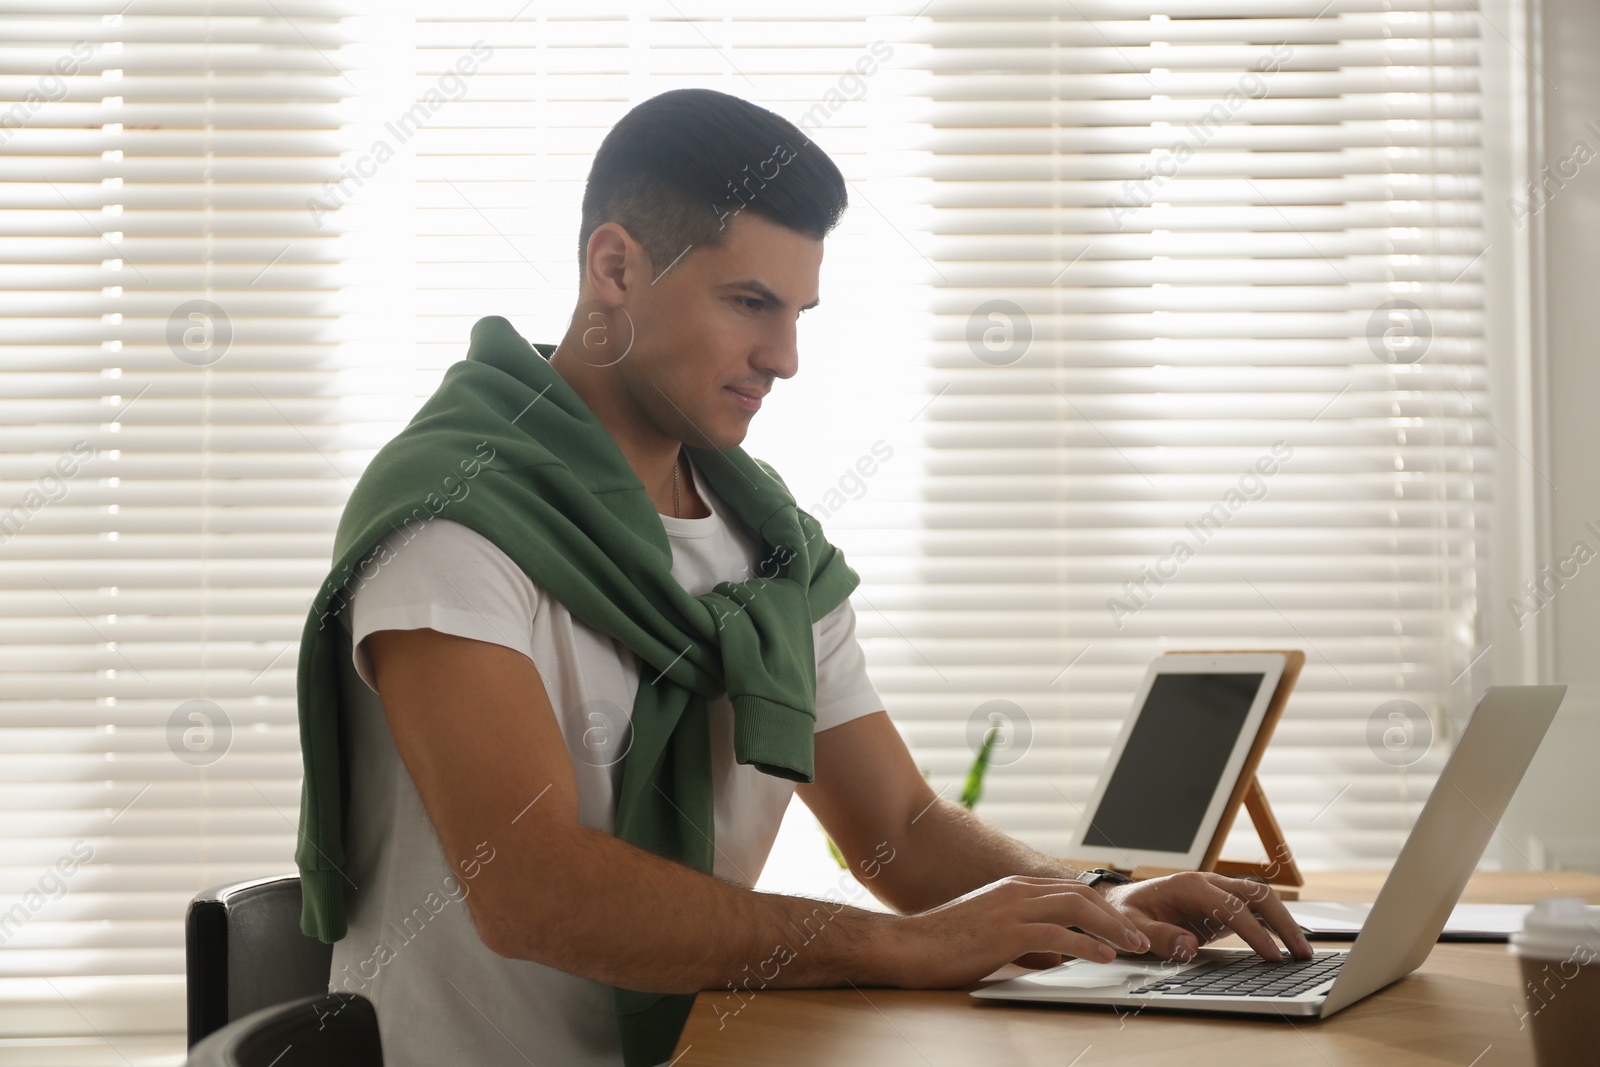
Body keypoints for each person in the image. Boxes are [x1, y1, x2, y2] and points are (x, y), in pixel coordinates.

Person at [296, 86, 1312, 1067]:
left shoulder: (768, 543)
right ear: (614, 267)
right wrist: (906, 947)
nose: (783, 357)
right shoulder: (457, 518)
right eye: (748, 302)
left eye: (798, 312)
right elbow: (528, 886)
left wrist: (1095, 899)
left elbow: (902, 831)